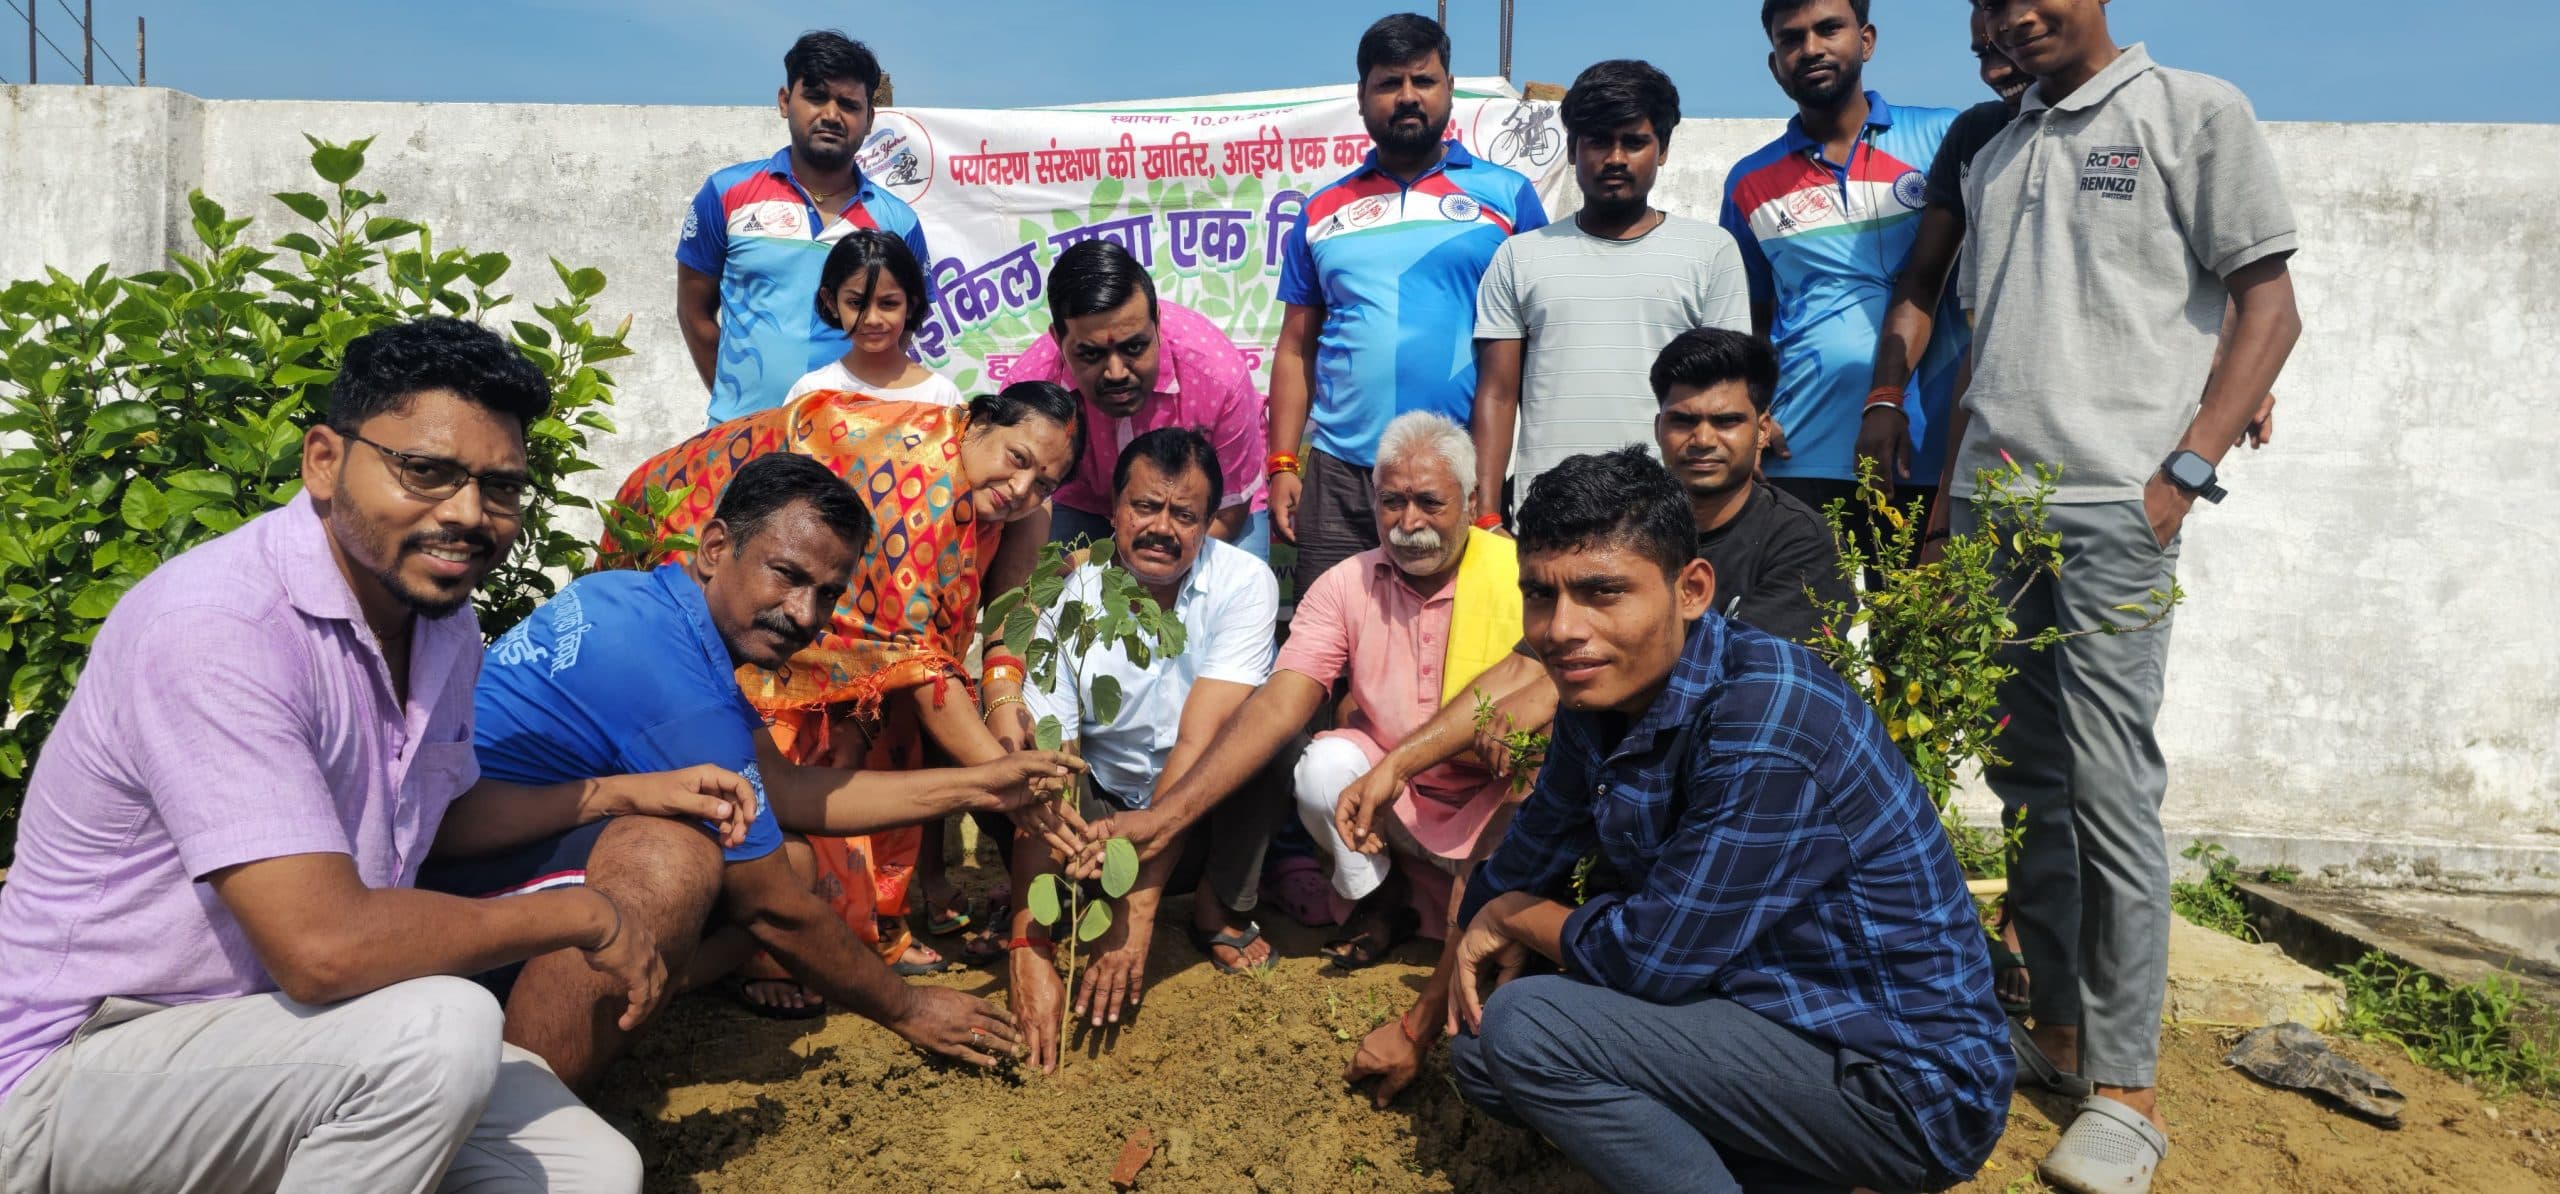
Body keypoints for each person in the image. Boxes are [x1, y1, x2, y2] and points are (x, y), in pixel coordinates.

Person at [0, 318, 704, 1190]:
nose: (465, 514)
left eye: (500, 487)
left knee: (586, 1168)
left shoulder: (439, 627)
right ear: (325, 461)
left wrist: (617, 795)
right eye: (426, 471)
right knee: (440, 1029)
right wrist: (577, 914)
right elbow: (323, 949)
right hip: (75, 1074)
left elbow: (431, 817)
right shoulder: (219, 628)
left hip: (280, 1044)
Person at [1437, 447, 2012, 1194]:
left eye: (1602, 592)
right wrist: (1424, 1020)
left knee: (1529, 1029)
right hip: (1765, 1016)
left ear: (1692, 590)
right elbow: (1527, 856)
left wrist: (1517, 916)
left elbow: (1651, 959)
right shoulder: (1602, 694)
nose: (1562, 628)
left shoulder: (1767, 711)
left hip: (1896, 1077)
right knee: (1482, 1054)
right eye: (1541, 596)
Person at [1951, 4, 2303, 1190]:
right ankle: (2055, 1033)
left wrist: (2183, 473)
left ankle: (2127, 1090)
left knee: (2108, 785)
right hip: (1988, 510)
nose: (2016, 14)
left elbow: (2268, 304)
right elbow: (1992, 340)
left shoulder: (2190, 112)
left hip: (2113, 509)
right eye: (1991, 1)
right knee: (2028, 784)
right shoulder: (1996, 149)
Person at [423, 453, 1081, 1079]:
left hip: (486, 848)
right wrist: (908, 1009)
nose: (804, 614)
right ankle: (524, 1099)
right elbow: (774, 911)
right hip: (450, 897)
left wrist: (979, 784)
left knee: (787, 854)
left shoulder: (637, 597)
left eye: (827, 593)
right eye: (787, 575)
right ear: (715, 548)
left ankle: (647, 984)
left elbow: (788, 789)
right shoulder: (667, 679)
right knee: (677, 859)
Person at [1336, 328, 1855, 1105]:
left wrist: (1548, 700)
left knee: (1559, 943)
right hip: (1628, 821)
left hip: (1740, 836)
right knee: (1500, 988)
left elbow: (1583, 677)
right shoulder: (1615, 526)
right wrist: (1398, 763)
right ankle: (1437, 1018)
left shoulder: (1795, 546)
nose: (1703, 439)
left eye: (1727, 420)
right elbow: (1520, 667)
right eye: (1684, 420)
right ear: (1659, 428)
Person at [615, 383, 1085, 985]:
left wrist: (1004, 696)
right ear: (977, 423)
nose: (1022, 490)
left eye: (1044, 483)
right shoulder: (925, 476)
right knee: (770, 736)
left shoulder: (1009, 504)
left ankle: (867, 924)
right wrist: (1010, 786)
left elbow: (990, 616)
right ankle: (768, 949)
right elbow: (914, 659)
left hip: (824, 595)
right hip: (689, 528)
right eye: (1017, 460)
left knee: (883, 729)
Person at [1078, 412, 1522, 979]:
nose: (1409, 522)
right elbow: (1282, 701)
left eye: (1430, 503)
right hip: (1386, 804)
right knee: (1316, 761)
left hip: (1497, 796)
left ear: (1472, 498)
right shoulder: (1345, 583)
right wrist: (1164, 821)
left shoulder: (1520, 575)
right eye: (1392, 502)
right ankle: (1379, 901)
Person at [1012, 428, 1292, 1071]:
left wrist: (1136, 912)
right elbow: (1054, 758)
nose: (1162, 528)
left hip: (1192, 809)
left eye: (1185, 514)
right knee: (1020, 758)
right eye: (1145, 507)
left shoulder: (1245, 583)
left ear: (1210, 522)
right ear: (1112, 511)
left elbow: (1200, 740)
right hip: (1097, 801)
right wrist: (1024, 947)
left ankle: (1215, 907)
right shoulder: (1067, 592)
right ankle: (1048, 920)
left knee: (1272, 740)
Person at [1268, 12, 1549, 593]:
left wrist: (1489, 497)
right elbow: (1296, 348)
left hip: (1458, 472)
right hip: (1343, 475)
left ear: (1449, 89)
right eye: (1388, 83)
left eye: (1422, 80)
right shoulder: (1321, 211)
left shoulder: (1508, 197)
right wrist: (1282, 465)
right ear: (1363, 96)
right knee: (1332, 651)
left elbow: (1538, 344)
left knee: (1456, 656)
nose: (1406, 97)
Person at [1717, 0, 1964, 525]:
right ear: (1774, 62)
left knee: (1929, 611)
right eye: (1791, 38)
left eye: (1829, 29)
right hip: (1800, 452)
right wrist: (1756, 410)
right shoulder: (1747, 181)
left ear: (1866, 40)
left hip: (1932, 450)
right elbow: (1751, 320)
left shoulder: (1945, 136)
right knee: (1804, 610)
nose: (1810, 49)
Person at [1470, 58, 1749, 516]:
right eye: (1598, 141)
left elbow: (1729, 393)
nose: (1616, 158)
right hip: (1547, 519)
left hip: (1666, 518)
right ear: (1571, 149)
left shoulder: (1711, 252)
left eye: (1635, 142)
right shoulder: (1520, 256)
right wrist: (1486, 515)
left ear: (1662, 150)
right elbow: (1497, 395)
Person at [677, 31, 933, 424]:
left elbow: (900, 333)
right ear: (784, 101)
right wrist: (741, 410)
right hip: (741, 439)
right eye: (815, 97)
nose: (831, 115)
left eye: (849, 104)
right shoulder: (725, 194)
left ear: (869, 120)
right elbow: (694, 313)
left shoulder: (897, 222)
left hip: (851, 445)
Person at [1003, 240, 1273, 558]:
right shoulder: (1029, 391)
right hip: (1083, 502)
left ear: (1157, 323)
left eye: (1134, 348)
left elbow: (1229, 510)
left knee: (1241, 593)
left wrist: (1136, 568)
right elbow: (1012, 512)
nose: (1116, 373)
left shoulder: (1218, 376)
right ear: (1058, 340)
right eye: (1091, 354)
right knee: (1042, 585)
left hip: (1201, 511)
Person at [1861, 5, 2029, 492]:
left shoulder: (2163, 113)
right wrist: (1886, 396)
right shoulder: (1975, 134)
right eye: (1983, 52)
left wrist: (2228, 381)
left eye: (2007, 47)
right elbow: (1922, 279)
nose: (1995, 69)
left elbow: (2227, 273)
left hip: (2114, 453)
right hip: (1986, 436)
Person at [786, 229, 964, 406]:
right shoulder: (810, 393)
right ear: (832, 302)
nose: (872, 319)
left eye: (888, 303)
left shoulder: (941, 397)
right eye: (856, 303)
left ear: (911, 304)